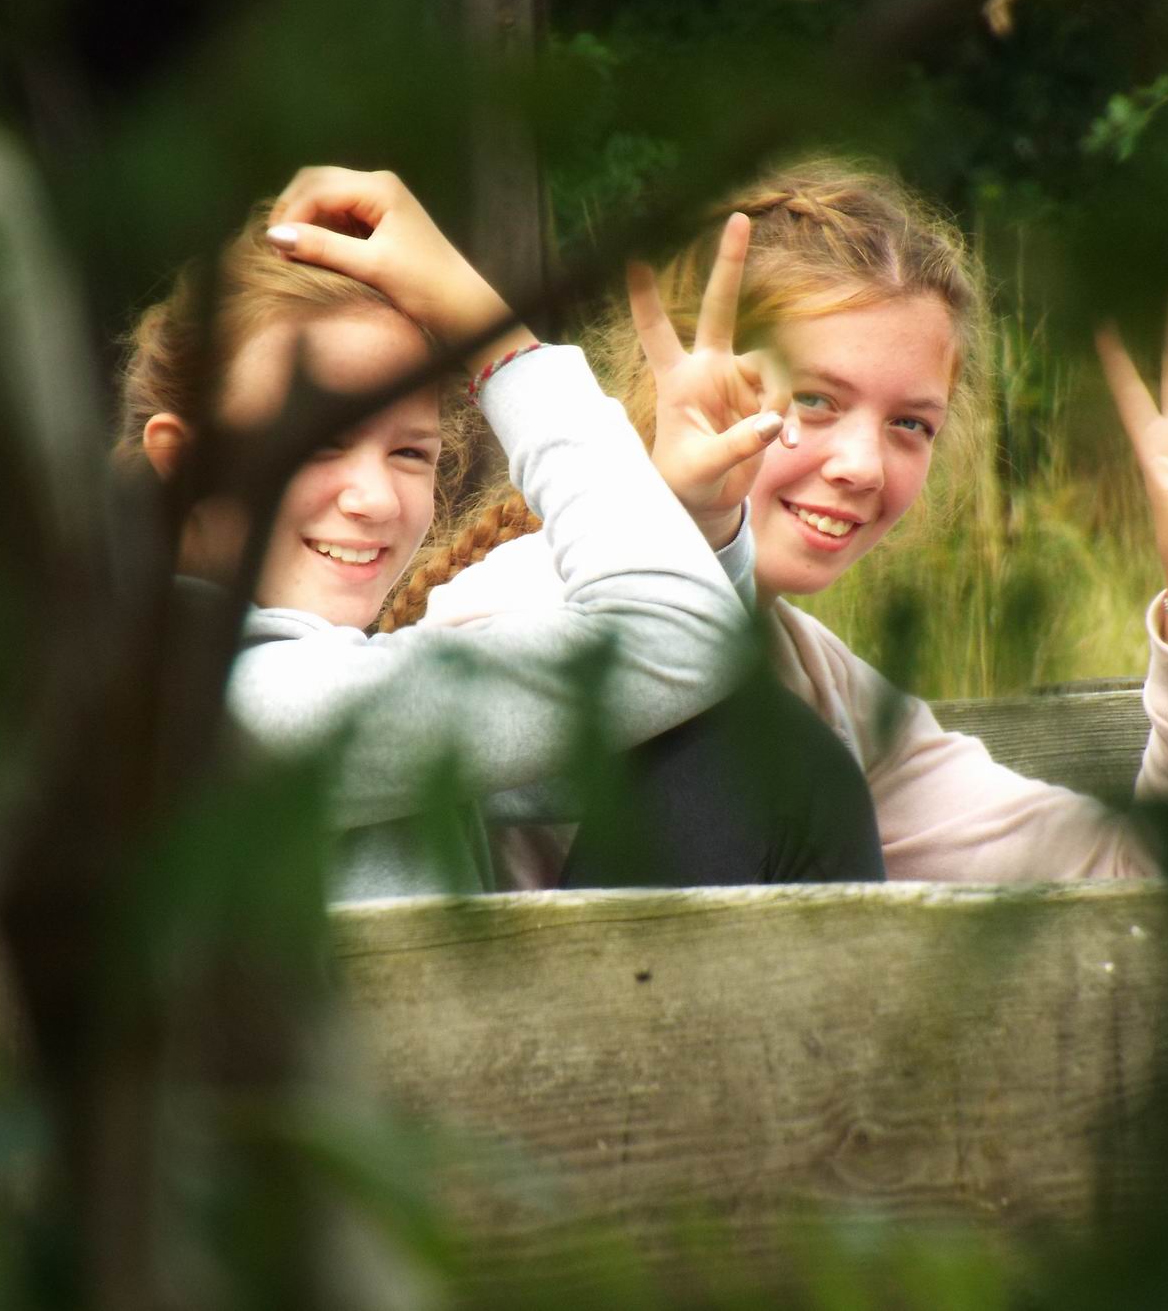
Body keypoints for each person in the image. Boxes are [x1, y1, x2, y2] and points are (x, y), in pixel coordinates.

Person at [377, 156, 1168, 887]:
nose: (861, 465)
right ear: (687, 385)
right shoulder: (517, 604)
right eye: (812, 400)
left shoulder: (824, 687)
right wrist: (690, 521)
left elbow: (1148, 879)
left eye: (909, 425)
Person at [116, 169, 797, 897]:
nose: (375, 499)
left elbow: (670, 710)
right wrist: (492, 334)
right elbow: (675, 642)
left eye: (410, 453)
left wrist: (697, 517)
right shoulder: (241, 709)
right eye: (316, 443)